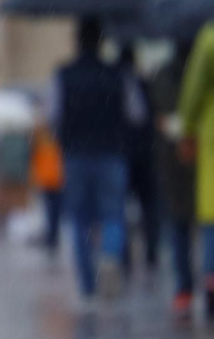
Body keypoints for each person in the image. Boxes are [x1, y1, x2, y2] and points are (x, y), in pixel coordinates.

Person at [51, 17, 143, 303]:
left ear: (77, 41)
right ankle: (110, 257)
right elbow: (137, 114)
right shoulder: (118, 74)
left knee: (78, 218)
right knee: (112, 213)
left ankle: (88, 285)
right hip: (112, 153)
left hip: (76, 154)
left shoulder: (64, 75)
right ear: (102, 41)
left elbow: (52, 116)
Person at [152, 38, 197, 316]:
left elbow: (157, 114)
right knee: (205, 223)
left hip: (171, 157)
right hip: (202, 153)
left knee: (179, 223)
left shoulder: (163, 74)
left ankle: (183, 289)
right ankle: (207, 280)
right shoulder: (201, 71)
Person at [177, 22, 214, 320]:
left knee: (212, 210)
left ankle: (212, 277)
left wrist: (187, 127)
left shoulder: (209, 38)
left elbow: (194, 89)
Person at [118, 42, 159, 276]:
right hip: (144, 154)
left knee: (121, 208)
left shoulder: (113, 82)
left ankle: (125, 258)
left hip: (124, 154)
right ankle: (150, 252)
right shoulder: (144, 85)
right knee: (148, 207)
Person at [30, 119, 66, 257]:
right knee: (53, 211)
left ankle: (52, 238)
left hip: (51, 180)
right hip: (54, 180)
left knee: (52, 211)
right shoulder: (50, 140)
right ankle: (53, 238)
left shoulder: (41, 139)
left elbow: (36, 159)